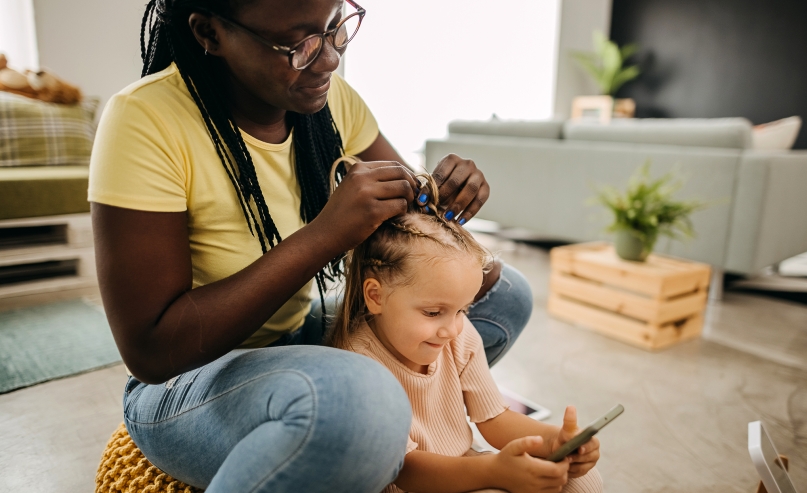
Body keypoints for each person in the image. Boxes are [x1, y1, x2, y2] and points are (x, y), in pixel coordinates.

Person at [88, 0, 534, 491]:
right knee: (359, 399)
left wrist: (444, 204)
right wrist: (326, 234)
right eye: (298, 44)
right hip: (187, 384)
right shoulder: (144, 119)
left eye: (334, 28)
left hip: (299, 336)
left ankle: (397, 432)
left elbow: (410, 231)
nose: (328, 59)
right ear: (209, 33)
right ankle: (371, 428)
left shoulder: (330, 99)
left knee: (502, 291)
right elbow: (152, 351)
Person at [329, 174, 603, 493]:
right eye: (433, 312)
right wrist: (493, 472)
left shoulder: (458, 335)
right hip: (418, 484)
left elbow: (495, 419)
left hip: (469, 466)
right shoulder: (359, 369)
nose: (452, 329)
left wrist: (555, 441)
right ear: (375, 296)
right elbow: (405, 470)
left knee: (581, 480)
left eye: (463, 310)